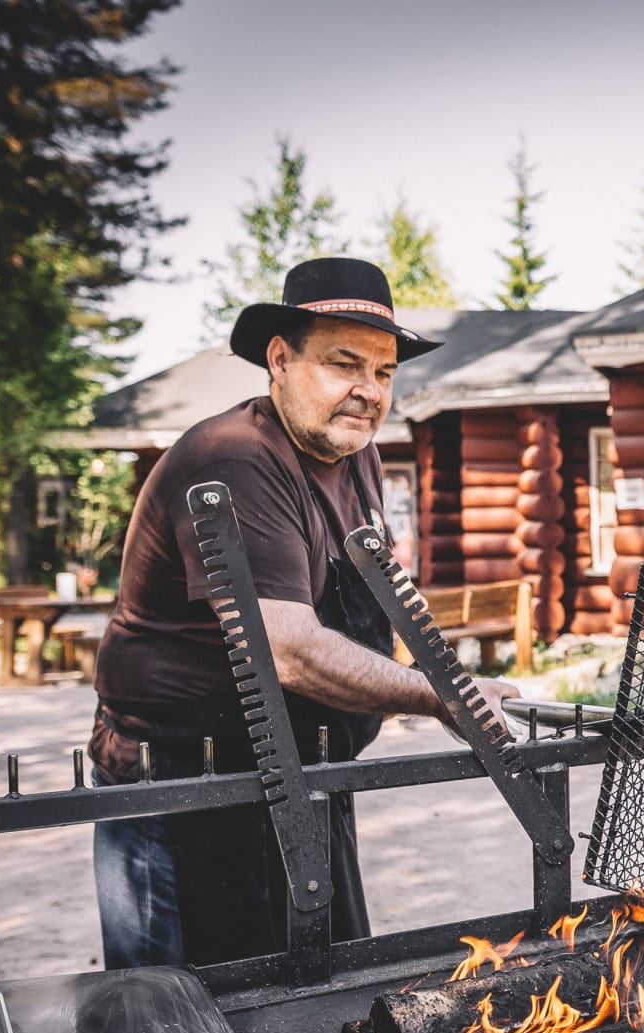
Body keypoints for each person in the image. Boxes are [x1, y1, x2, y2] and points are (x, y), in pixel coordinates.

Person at [88, 257, 516, 969]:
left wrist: (459, 682)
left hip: (300, 775)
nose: (368, 391)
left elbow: (383, 600)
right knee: (177, 1029)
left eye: (383, 372)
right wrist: (441, 698)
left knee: (316, 1003)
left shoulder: (355, 455)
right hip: (181, 788)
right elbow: (285, 648)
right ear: (279, 360)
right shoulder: (234, 461)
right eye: (345, 364)